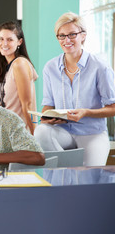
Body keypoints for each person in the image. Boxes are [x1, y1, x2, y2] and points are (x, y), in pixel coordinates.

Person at [34, 12, 115, 166]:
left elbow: (113, 107)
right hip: (62, 132)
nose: (67, 40)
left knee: (87, 177)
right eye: (62, 36)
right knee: (40, 131)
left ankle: (72, 174)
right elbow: (48, 104)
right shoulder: (50, 68)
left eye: (72, 34)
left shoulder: (100, 67)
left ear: (83, 36)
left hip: (92, 134)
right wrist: (47, 117)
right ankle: (66, 173)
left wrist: (86, 112)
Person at [0, 21, 38, 134]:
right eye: (1, 39)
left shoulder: (19, 64)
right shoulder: (2, 68)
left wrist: (34, 135)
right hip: (2, 132)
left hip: (18, 134)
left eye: (10, 39)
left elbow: (27, 105)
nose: (4, 43)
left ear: (19, 42)